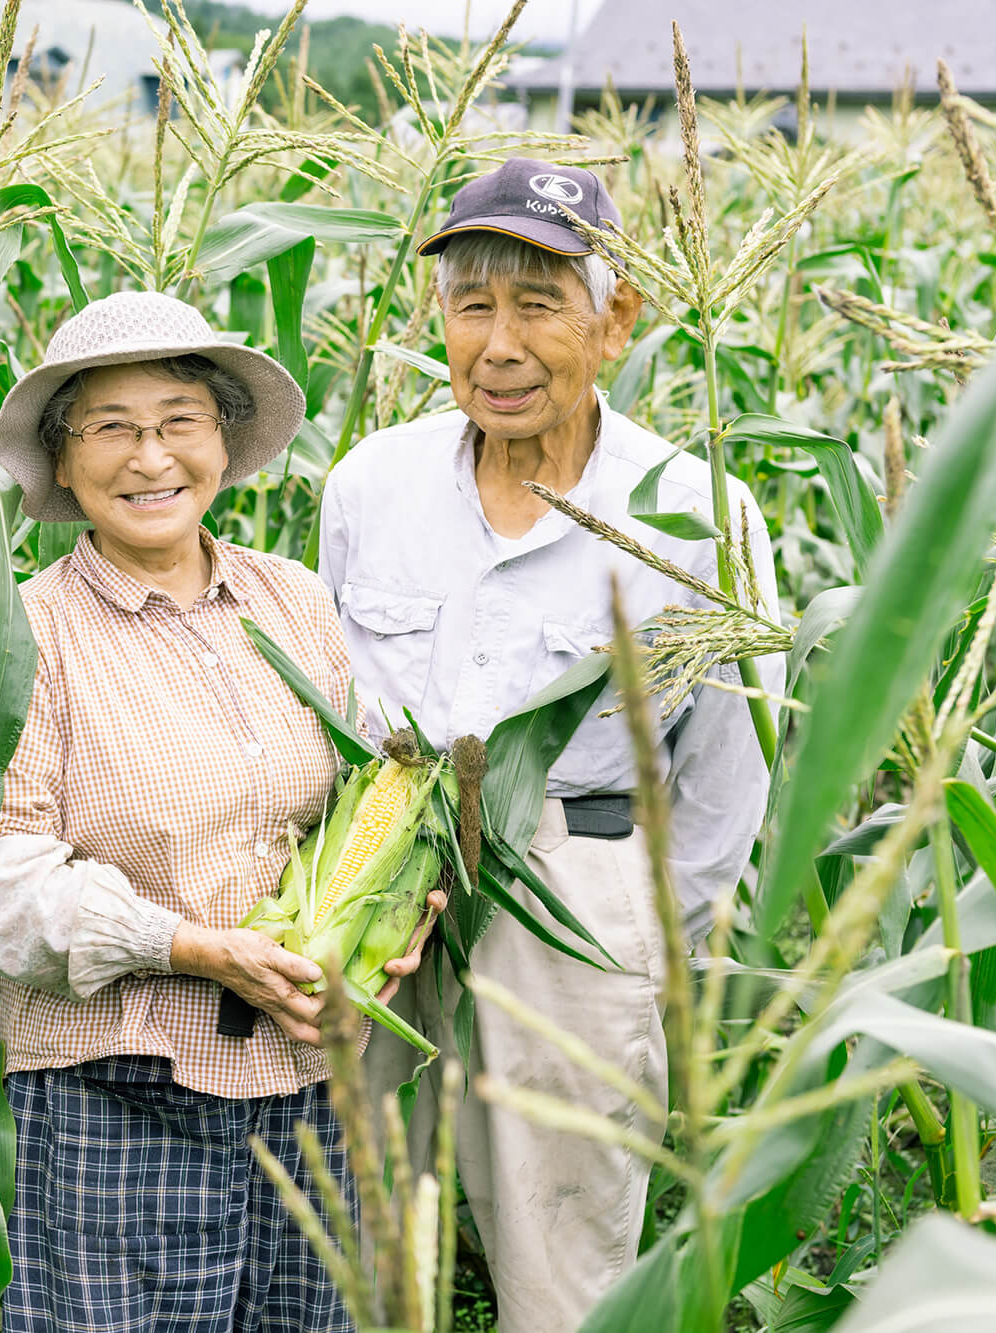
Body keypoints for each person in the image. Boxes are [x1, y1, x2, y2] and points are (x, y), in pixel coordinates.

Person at [324, 158, 784, 1331]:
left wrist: (646, 968)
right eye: (471, 305)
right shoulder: (370, 483)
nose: (498, 344)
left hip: (574, 901)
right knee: (352, 1234)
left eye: (537, 304)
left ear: (614, 318)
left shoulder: (694, 507)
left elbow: (728, 776)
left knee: (563, 1262)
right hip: (379, 894)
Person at [0, 290, 443, 1333]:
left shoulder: (293, 603)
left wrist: (394, 931)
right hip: (116, 1095)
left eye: (178, 422)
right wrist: (190, 946)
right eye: (110, 428)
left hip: (309, 1087)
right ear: (61, 466)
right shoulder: (21, 637)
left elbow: (362, 808)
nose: (149, 456)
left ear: (223, 442)